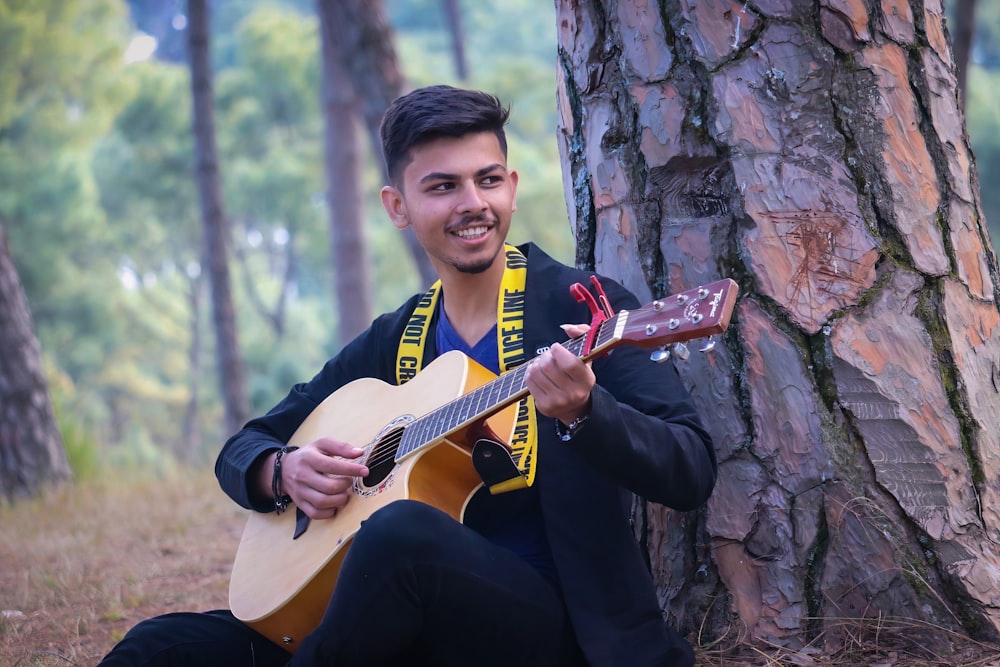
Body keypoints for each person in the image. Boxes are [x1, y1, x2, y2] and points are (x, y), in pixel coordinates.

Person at [99, 84, 717, 667]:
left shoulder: (582, 309)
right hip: (392, 626)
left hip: (550, 630)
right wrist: (283, 470)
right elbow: (244, 447)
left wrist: (587, 413)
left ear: (513, 188)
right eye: (442, 186)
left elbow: (690, 466)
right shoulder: (396, 338)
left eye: (488, 180)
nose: (472, 203)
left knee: (403, 535)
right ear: (397, 206)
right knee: (160, 648)